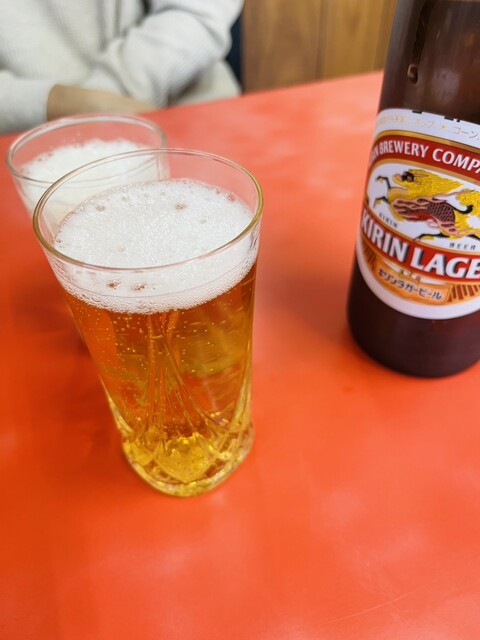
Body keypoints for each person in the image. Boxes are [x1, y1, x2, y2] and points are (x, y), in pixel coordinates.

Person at [0, 0, 243, 134]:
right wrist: (56, 103)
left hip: (191, 112)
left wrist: (109, 95)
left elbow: (198, 12)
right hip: (21, 137)